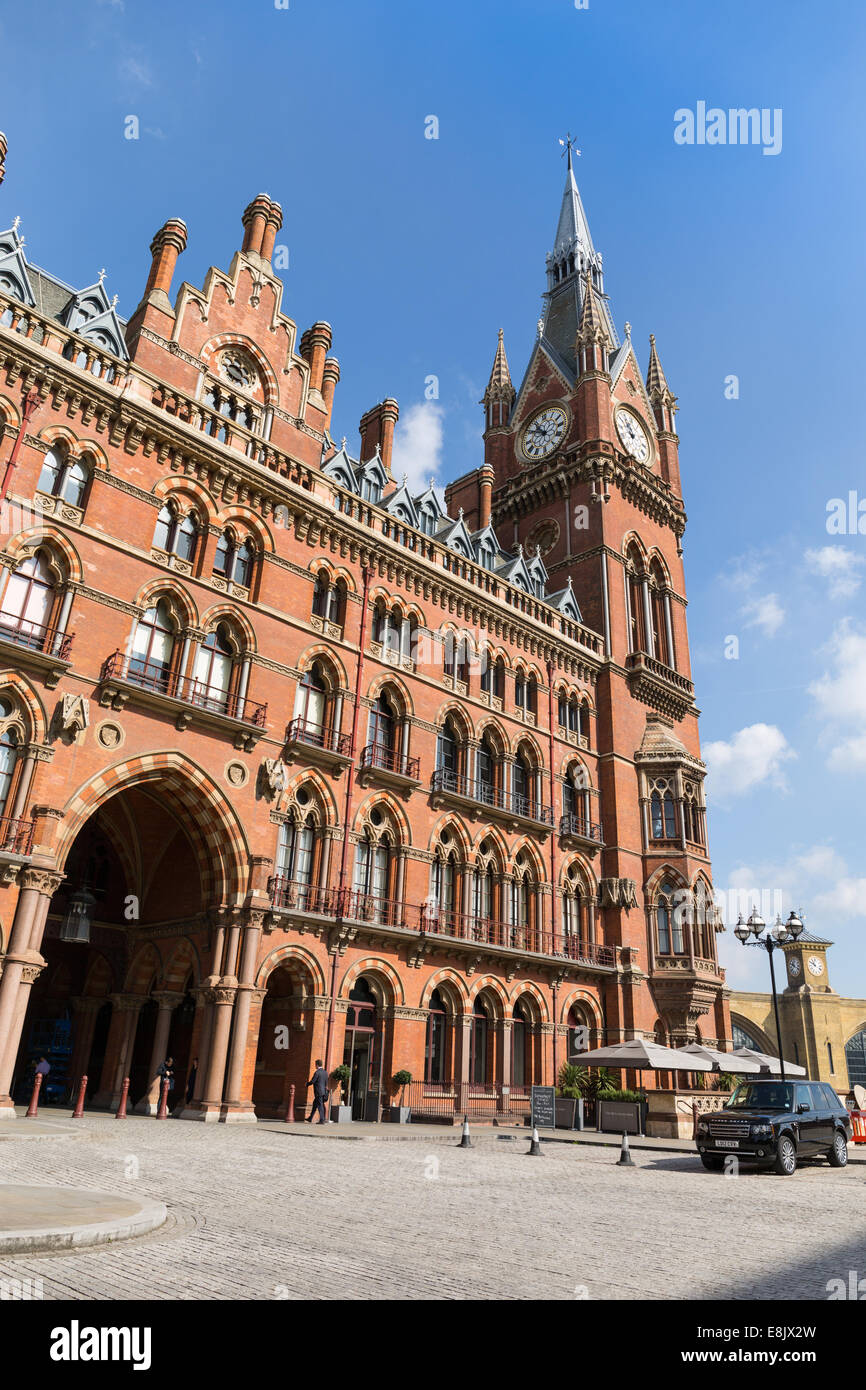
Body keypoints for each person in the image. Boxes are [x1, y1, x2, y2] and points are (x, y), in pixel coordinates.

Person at [306, 1059, 330, 1124]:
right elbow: (326, 1082)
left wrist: (307, 1084)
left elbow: (313, 1081)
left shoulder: (317, 1072)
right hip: (323, 1092)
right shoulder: (325, 1072)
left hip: (318, 1092)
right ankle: (310, 1118)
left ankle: (322, 1120)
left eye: (315, 1065)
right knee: (315, 1105)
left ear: (317, 1065)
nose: (315, 1066)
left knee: (320, 1106)